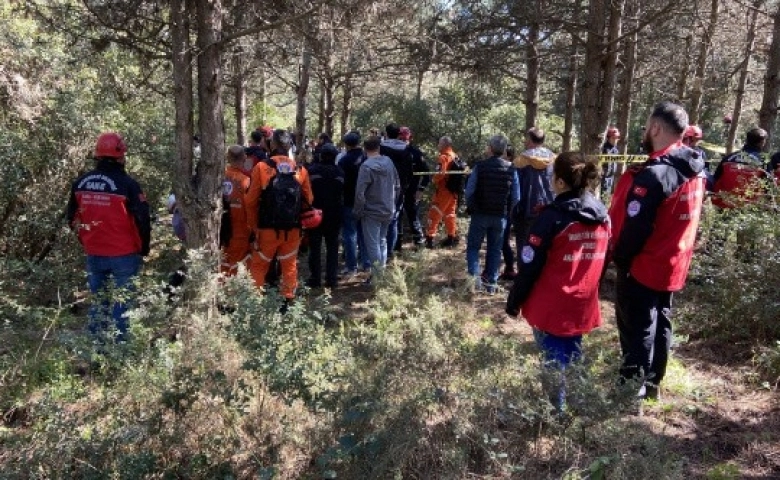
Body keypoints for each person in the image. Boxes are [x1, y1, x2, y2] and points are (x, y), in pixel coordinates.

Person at [609, 101, 706, 400]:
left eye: (646, 126)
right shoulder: (695, 165)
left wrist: (620, 260)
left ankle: (630, 391)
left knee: (636, 328)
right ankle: (652, 387)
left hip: (644, 265)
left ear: (656, 128)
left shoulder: (655, 175)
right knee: (662, 321)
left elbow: (634, 229)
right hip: (673, 263)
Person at [506, 152, 609, 411]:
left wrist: (514, 300)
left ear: (561, 182)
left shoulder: (551, 217)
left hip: (551, 304)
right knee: (573, 354)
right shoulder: (602, 214)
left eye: (553, 176)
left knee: (552, 360)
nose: (551, 180)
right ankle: (578, 407)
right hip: (582, 300)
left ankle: (557, 414)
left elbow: (529, 265)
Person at [66, 132, 151, 343]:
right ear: (121, 156)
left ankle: (98, 350)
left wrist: (86, 240)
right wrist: (144, 247)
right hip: (124, 253)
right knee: (122, 305)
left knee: (99, 303)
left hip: (94, 252)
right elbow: (142, 219)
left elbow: (71, 219)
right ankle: (120, 352)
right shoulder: (128, 185)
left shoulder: (81, 183)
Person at [246, 129, 314, 308]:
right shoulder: (300, 170)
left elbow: (250, 201)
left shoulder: (262, 167)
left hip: (267, 228)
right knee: (289, 264)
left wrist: (254, 227)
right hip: (292, 229)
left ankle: (254, 304)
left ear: (272, 145)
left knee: (259, 265)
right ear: (289, 146)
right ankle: (288, 302)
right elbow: (309, 200)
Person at [465, 135, 520, 294]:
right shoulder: (511, 169)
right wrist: (508, 212)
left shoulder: (479, 167)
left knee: (473, 247)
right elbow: (516, 197)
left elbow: (469, 191)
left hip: (480, 213)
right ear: (503, 150)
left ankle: (475, 282)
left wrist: (471, 206)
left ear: (489, 148)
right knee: (495, 249)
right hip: (500, 216)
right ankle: (491, 284)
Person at [354, 136, 401, 282]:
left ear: (365, 148)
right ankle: (381, 274)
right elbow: (397, 185)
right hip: (388, 208)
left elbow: (360, 192)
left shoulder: (366, 166)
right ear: (379, 147)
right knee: (382, 241)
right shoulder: (388, 162)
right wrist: (393, 201)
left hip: (372, 211)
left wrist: (358, 210)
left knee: (373, 244)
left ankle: (377, 277)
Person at [512, 127, 555, 261]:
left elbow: (515, 186)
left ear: (530, 140)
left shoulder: (521, 160)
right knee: (545, 243)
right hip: (549, 208)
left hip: (526, 209)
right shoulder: (554, 160)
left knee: (524, 243)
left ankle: (524, 275)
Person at [306, 143, 344, 288]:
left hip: (315, 214)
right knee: (332, 247)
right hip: (334, 214)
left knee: (315, 247)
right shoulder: (340, 172)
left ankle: (315, 279)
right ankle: (331, 279)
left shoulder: (312, 171)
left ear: (321, 155)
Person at [712, 128, 771, 209]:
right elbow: (768, 187)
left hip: (725, 205)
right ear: (762, 142)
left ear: (747, 140)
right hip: (749, 209)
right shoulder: (764, 161)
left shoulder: (728, 158)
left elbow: (715, 179)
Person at [338, 131, 371, 275]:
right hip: (365, 200)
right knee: (364, 233)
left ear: (346, 145)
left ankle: (352, 267)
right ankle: (367, 264)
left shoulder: (343, 161)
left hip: (348, 200)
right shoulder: (366, 158)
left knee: (350, 234)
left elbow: (340, 182)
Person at [380, 123, 414, 260]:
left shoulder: (382, 148)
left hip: (383, 187)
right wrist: (406, 186)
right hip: (400, 187)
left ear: (387, 133)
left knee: (381, 219)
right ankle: (389, 252)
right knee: (394, 219)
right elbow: (410, 171)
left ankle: (382, 250)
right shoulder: (406, 149)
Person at [221, 145, 253, 276]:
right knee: (238, 262)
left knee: (223, 260)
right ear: (244, 158)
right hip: (240, 230)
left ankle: (221, 288)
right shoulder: (245, 181)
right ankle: (233, 290)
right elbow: (251, 207)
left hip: (220, 228)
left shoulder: (218, 177)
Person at [396, 126, 429, 249]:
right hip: (397, 190)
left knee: (412, 215)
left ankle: (419, 243)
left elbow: (426, 174)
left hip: (412, 191)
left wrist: (420, 190)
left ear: (410, 138)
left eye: (405, 138)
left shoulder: (416, 153)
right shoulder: (394, 153)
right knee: (397, 217)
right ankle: (396, 245)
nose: (403, 141)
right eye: (401, 138)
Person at [426, 136, 460, 249]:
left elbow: (440, 173)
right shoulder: (455, 156)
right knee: (450, 214)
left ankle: (429, 240)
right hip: (453, 191)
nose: (438, 145)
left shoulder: (443, 157)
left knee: (434, 213)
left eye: (439, 143)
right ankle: (451, 238)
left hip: (443, 191)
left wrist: (433, 179)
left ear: (445, 144)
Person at [682, 125, 712, 189]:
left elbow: (706, 172)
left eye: (697, 140)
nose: (696, 142)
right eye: (694, 139)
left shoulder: (701, 153)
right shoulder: (678, 152)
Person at [601, 126, 620, 195]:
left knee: (607, 195)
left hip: (611, 177)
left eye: (617, 138)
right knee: (603, 195)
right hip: (603, 178)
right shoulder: (604, 148)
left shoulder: (615, 150)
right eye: (613, 138)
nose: (615, 140)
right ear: (608, 138)